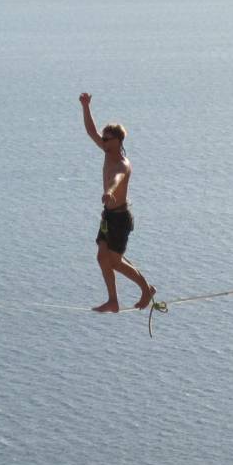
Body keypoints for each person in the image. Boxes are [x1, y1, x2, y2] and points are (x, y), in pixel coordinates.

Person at [79, 93, 156, 313]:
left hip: (120, 218)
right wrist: (86, 106)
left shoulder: (123, 164)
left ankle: (146, 288)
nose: (102, 141)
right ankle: (113, 300)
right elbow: (90, 131)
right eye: (103, 138)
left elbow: (116, 179)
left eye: (107, 138)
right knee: (102, 257)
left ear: (119, 141)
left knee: (114, 261)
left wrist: (110, 192)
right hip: (108, 215)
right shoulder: (106, 152)